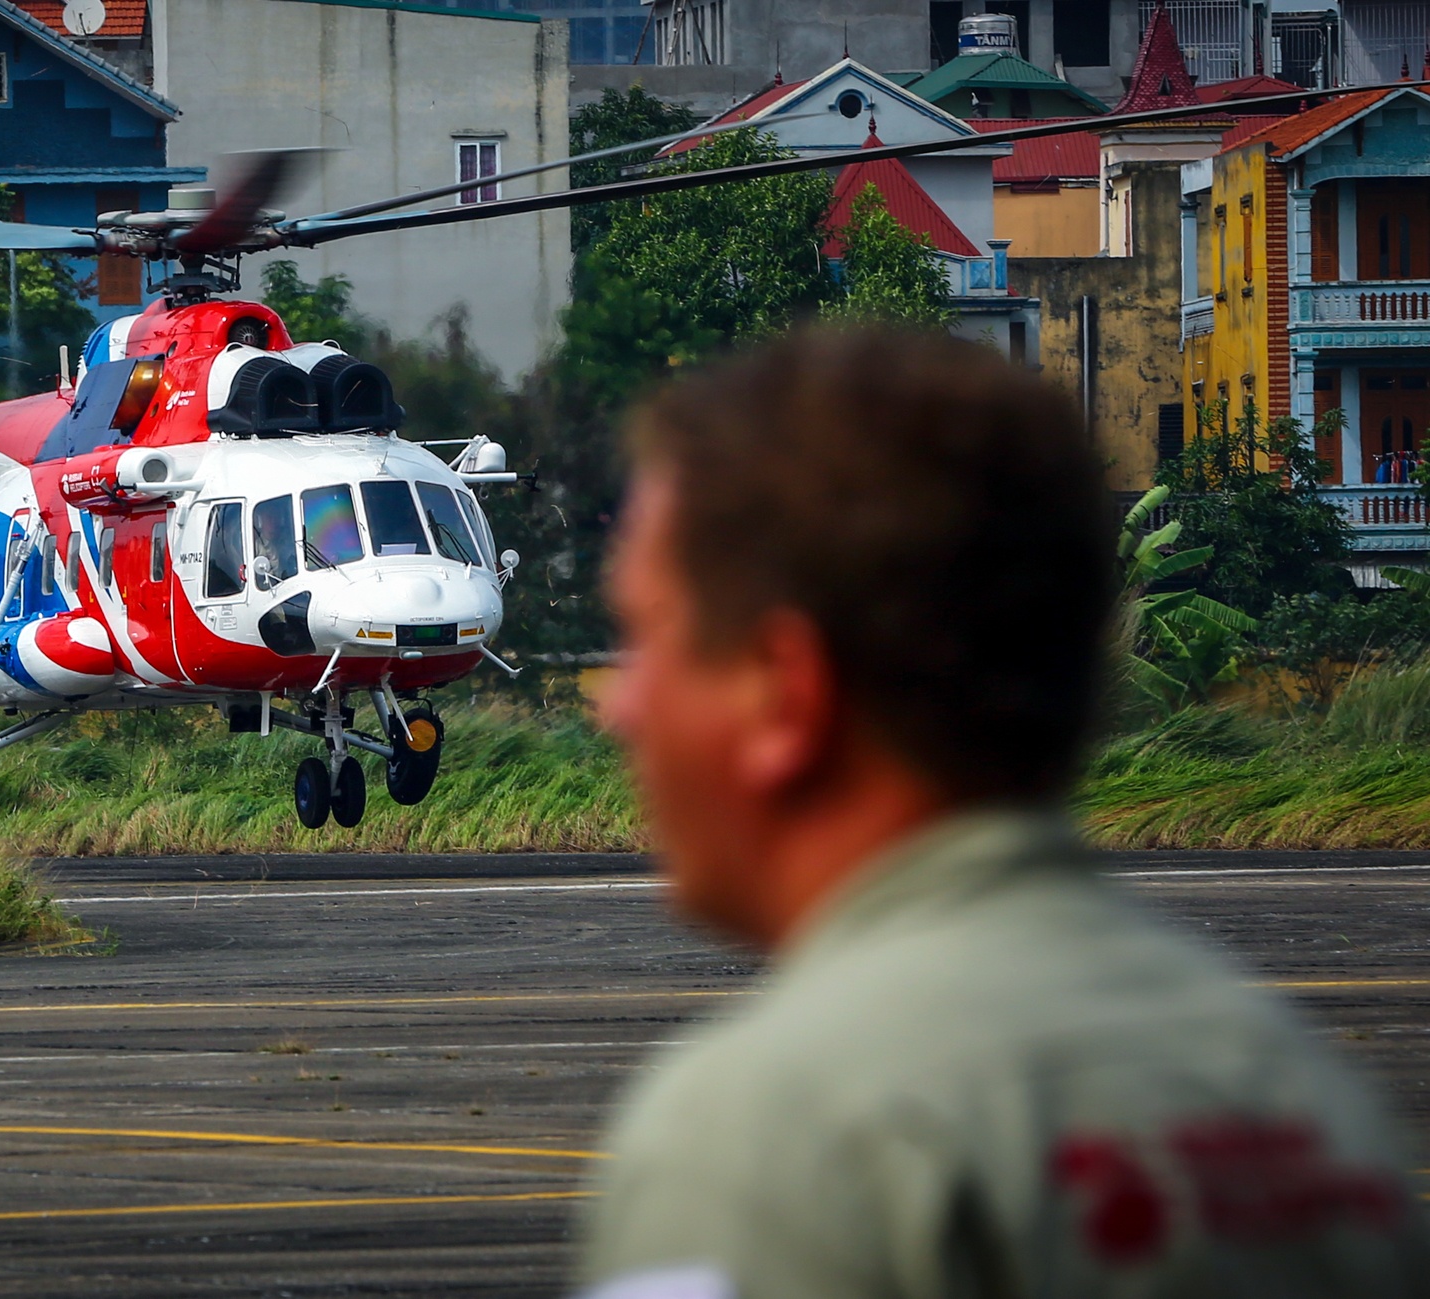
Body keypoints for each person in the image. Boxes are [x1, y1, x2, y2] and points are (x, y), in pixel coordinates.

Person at [580, 328, 1429, 1299]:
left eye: (648, 639)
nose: (620, 705)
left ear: (784, 695)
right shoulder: (1315, 1117)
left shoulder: (764, 1133)